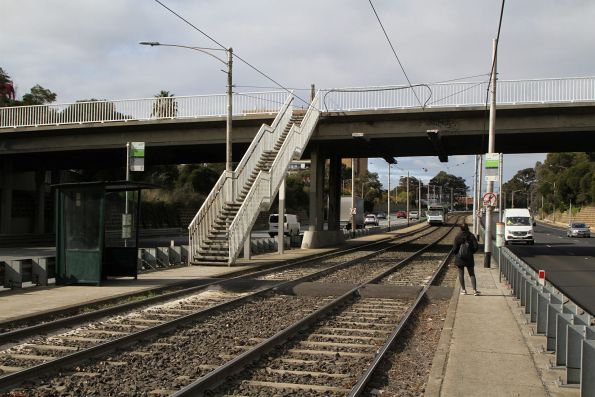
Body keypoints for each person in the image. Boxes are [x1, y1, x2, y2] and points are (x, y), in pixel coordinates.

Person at [453, 223, 480, 295]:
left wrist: (456, 254)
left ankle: (464, 290)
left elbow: (455, 249)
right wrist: (471, 252)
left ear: (461, 228)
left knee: (461, 274)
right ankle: (474, 290)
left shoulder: (457, 237)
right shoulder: (471, 236)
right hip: (469, 258)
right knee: (472, 274)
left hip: (460, 258)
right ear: (467, 228)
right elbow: (476, 247)